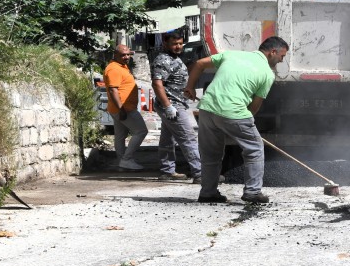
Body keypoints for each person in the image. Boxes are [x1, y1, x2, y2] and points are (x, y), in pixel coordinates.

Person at [184, 36, 289, 204]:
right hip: (234, 111)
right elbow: (254, 107)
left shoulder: (232, 55)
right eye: (282, 56)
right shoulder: (267, 74)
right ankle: (253, 192)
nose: (281, 60)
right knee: (255, 148)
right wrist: (244, 126)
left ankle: (207, 193)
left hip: (207, 109)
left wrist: (189, 86)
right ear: (272, 52)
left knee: (211, 154)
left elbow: (199, 64)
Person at [151, 30, 202, 183]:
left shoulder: (175, 58)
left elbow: (173, 82)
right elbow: (157, 83)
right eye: (174, 44)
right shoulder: (163, 60)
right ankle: (200, 173)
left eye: (180, 43)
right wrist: (168, 106)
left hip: (177, 101)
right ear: (165, 43)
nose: (178, 46)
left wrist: (186, 90)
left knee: (168, 138)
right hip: (172, 105)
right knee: (189, 137)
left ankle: (167, 171)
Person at [104, 44, 149, 170]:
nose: (126, 57)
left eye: (128, 54)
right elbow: (113, 91)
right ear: (116, 55)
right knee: (141, 131)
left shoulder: (121, 66)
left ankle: (121, 162)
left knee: (120, 136)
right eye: (123, 55)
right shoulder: (114, 69)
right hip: (124, 108)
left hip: (120, 108)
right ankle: (126, 159)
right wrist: (121, 109)